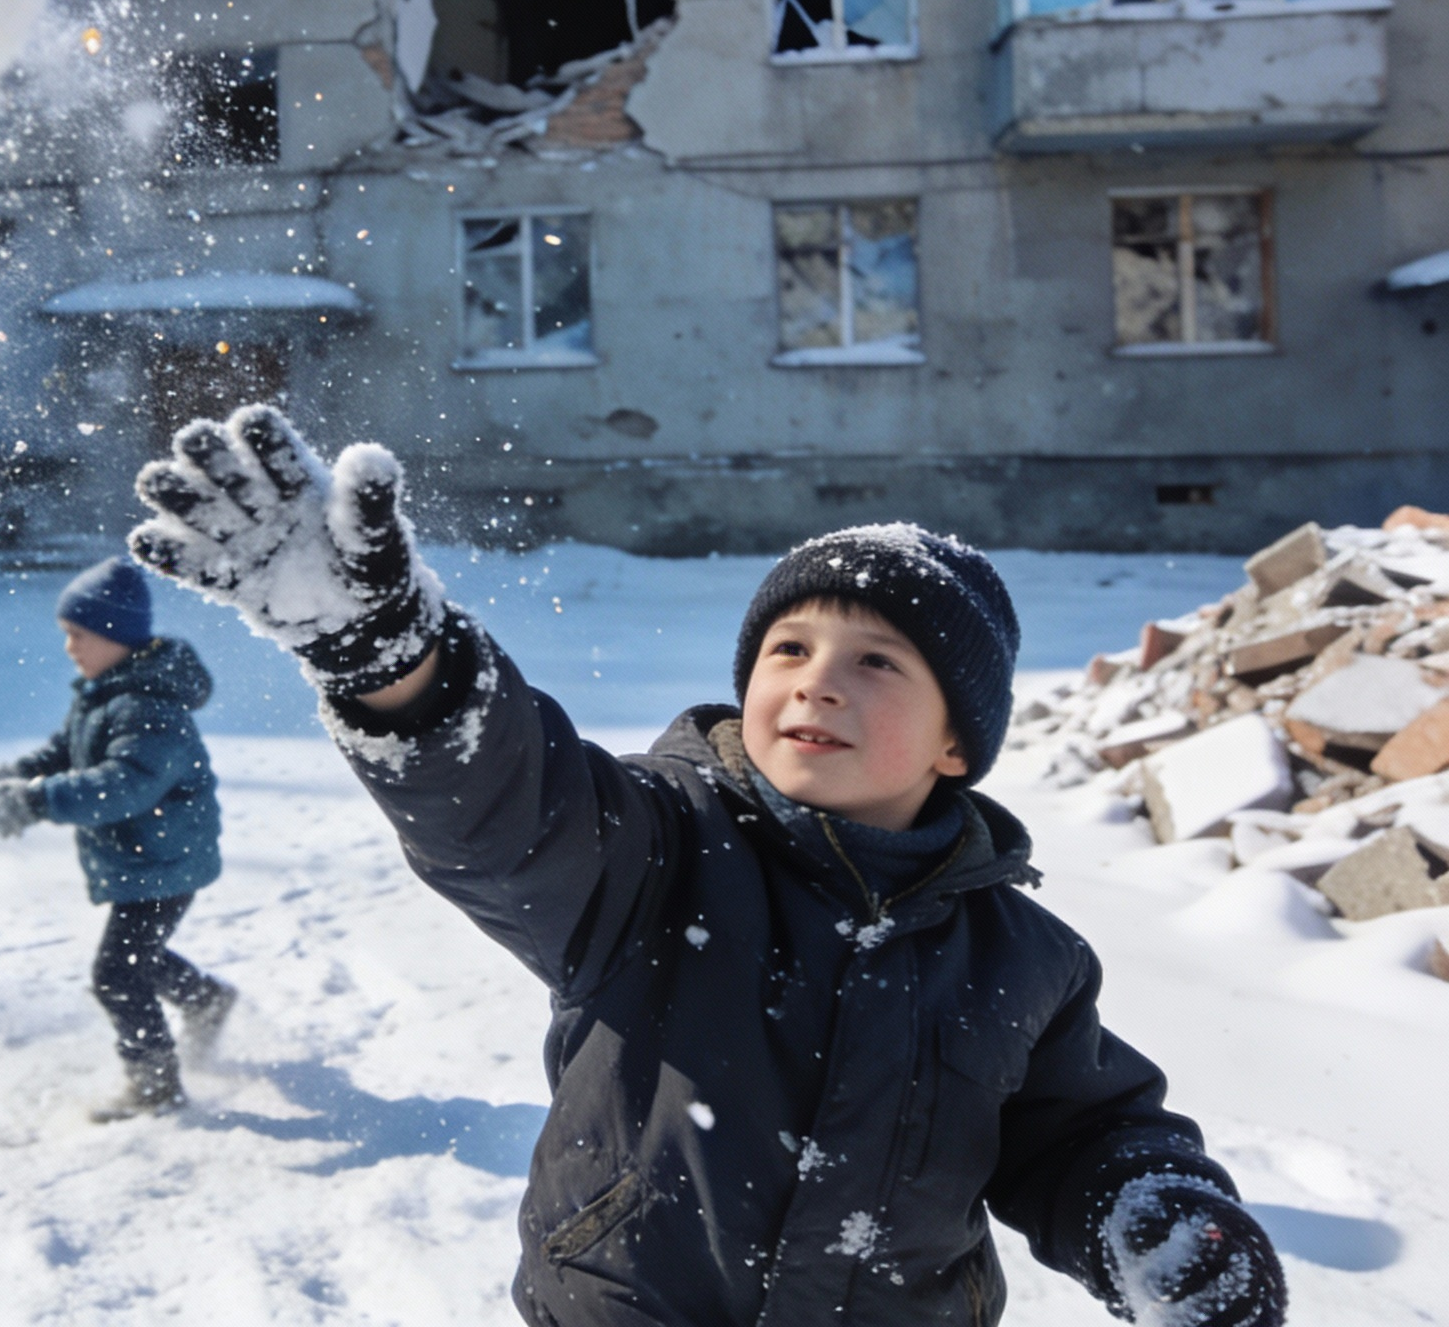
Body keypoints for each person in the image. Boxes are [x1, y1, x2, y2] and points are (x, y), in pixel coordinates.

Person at [125, 406, 1287, 1327]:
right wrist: (393, 662)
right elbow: (507, 815)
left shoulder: (1022, 959)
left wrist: (1147, 1209)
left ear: (956, 745)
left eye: (878, 662)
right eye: (790, 646)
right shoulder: (663, 848)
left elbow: (1077, 1133)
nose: (817, 680)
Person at [0, 556, 238, 1121]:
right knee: (139, 957)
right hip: (145, 858)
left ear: (116, 635)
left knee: (117, 976)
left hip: (166, 861)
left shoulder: (148, 707)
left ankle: (156, 1086)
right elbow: (67, 750)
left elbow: (126, 785)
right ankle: (206, 1000)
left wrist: (39, 800)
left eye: (78, 634)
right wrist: (21, 774)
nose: (69, 647)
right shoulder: (104, 692)